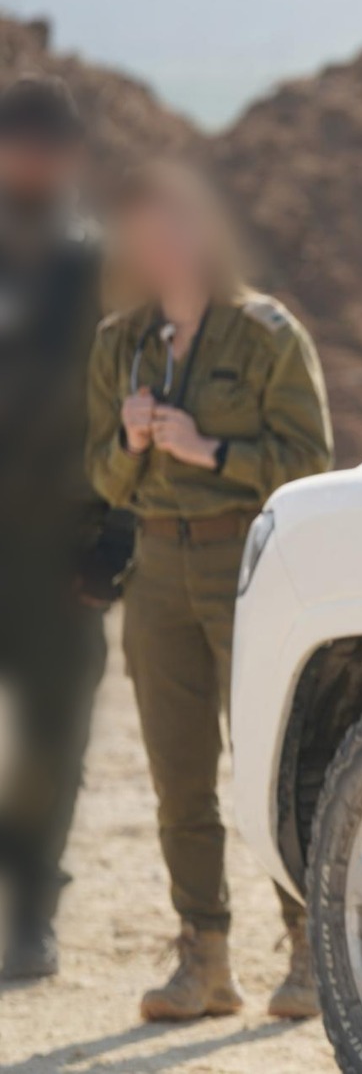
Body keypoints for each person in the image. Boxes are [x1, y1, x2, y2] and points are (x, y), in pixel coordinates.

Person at [84, 162, 333, 1021]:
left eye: (174, 225)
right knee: (177, 775)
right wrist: (128, 441)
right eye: (142, 232)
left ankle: (308, 952)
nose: (158, 245)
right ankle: (204, 959)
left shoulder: (266, 333)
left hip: (247, 568)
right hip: (154, 574)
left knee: (269, 765)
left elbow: (310, 464)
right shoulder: (121, 340)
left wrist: (209, 451)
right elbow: (104, 478)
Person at [0, 74, 134, 981]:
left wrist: (116, 539)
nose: (37, 159)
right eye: (22, 140)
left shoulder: (99, 268)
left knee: (52, 742)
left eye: (53, 143)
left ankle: (29, 916)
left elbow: (136, 404)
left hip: (58, 554)